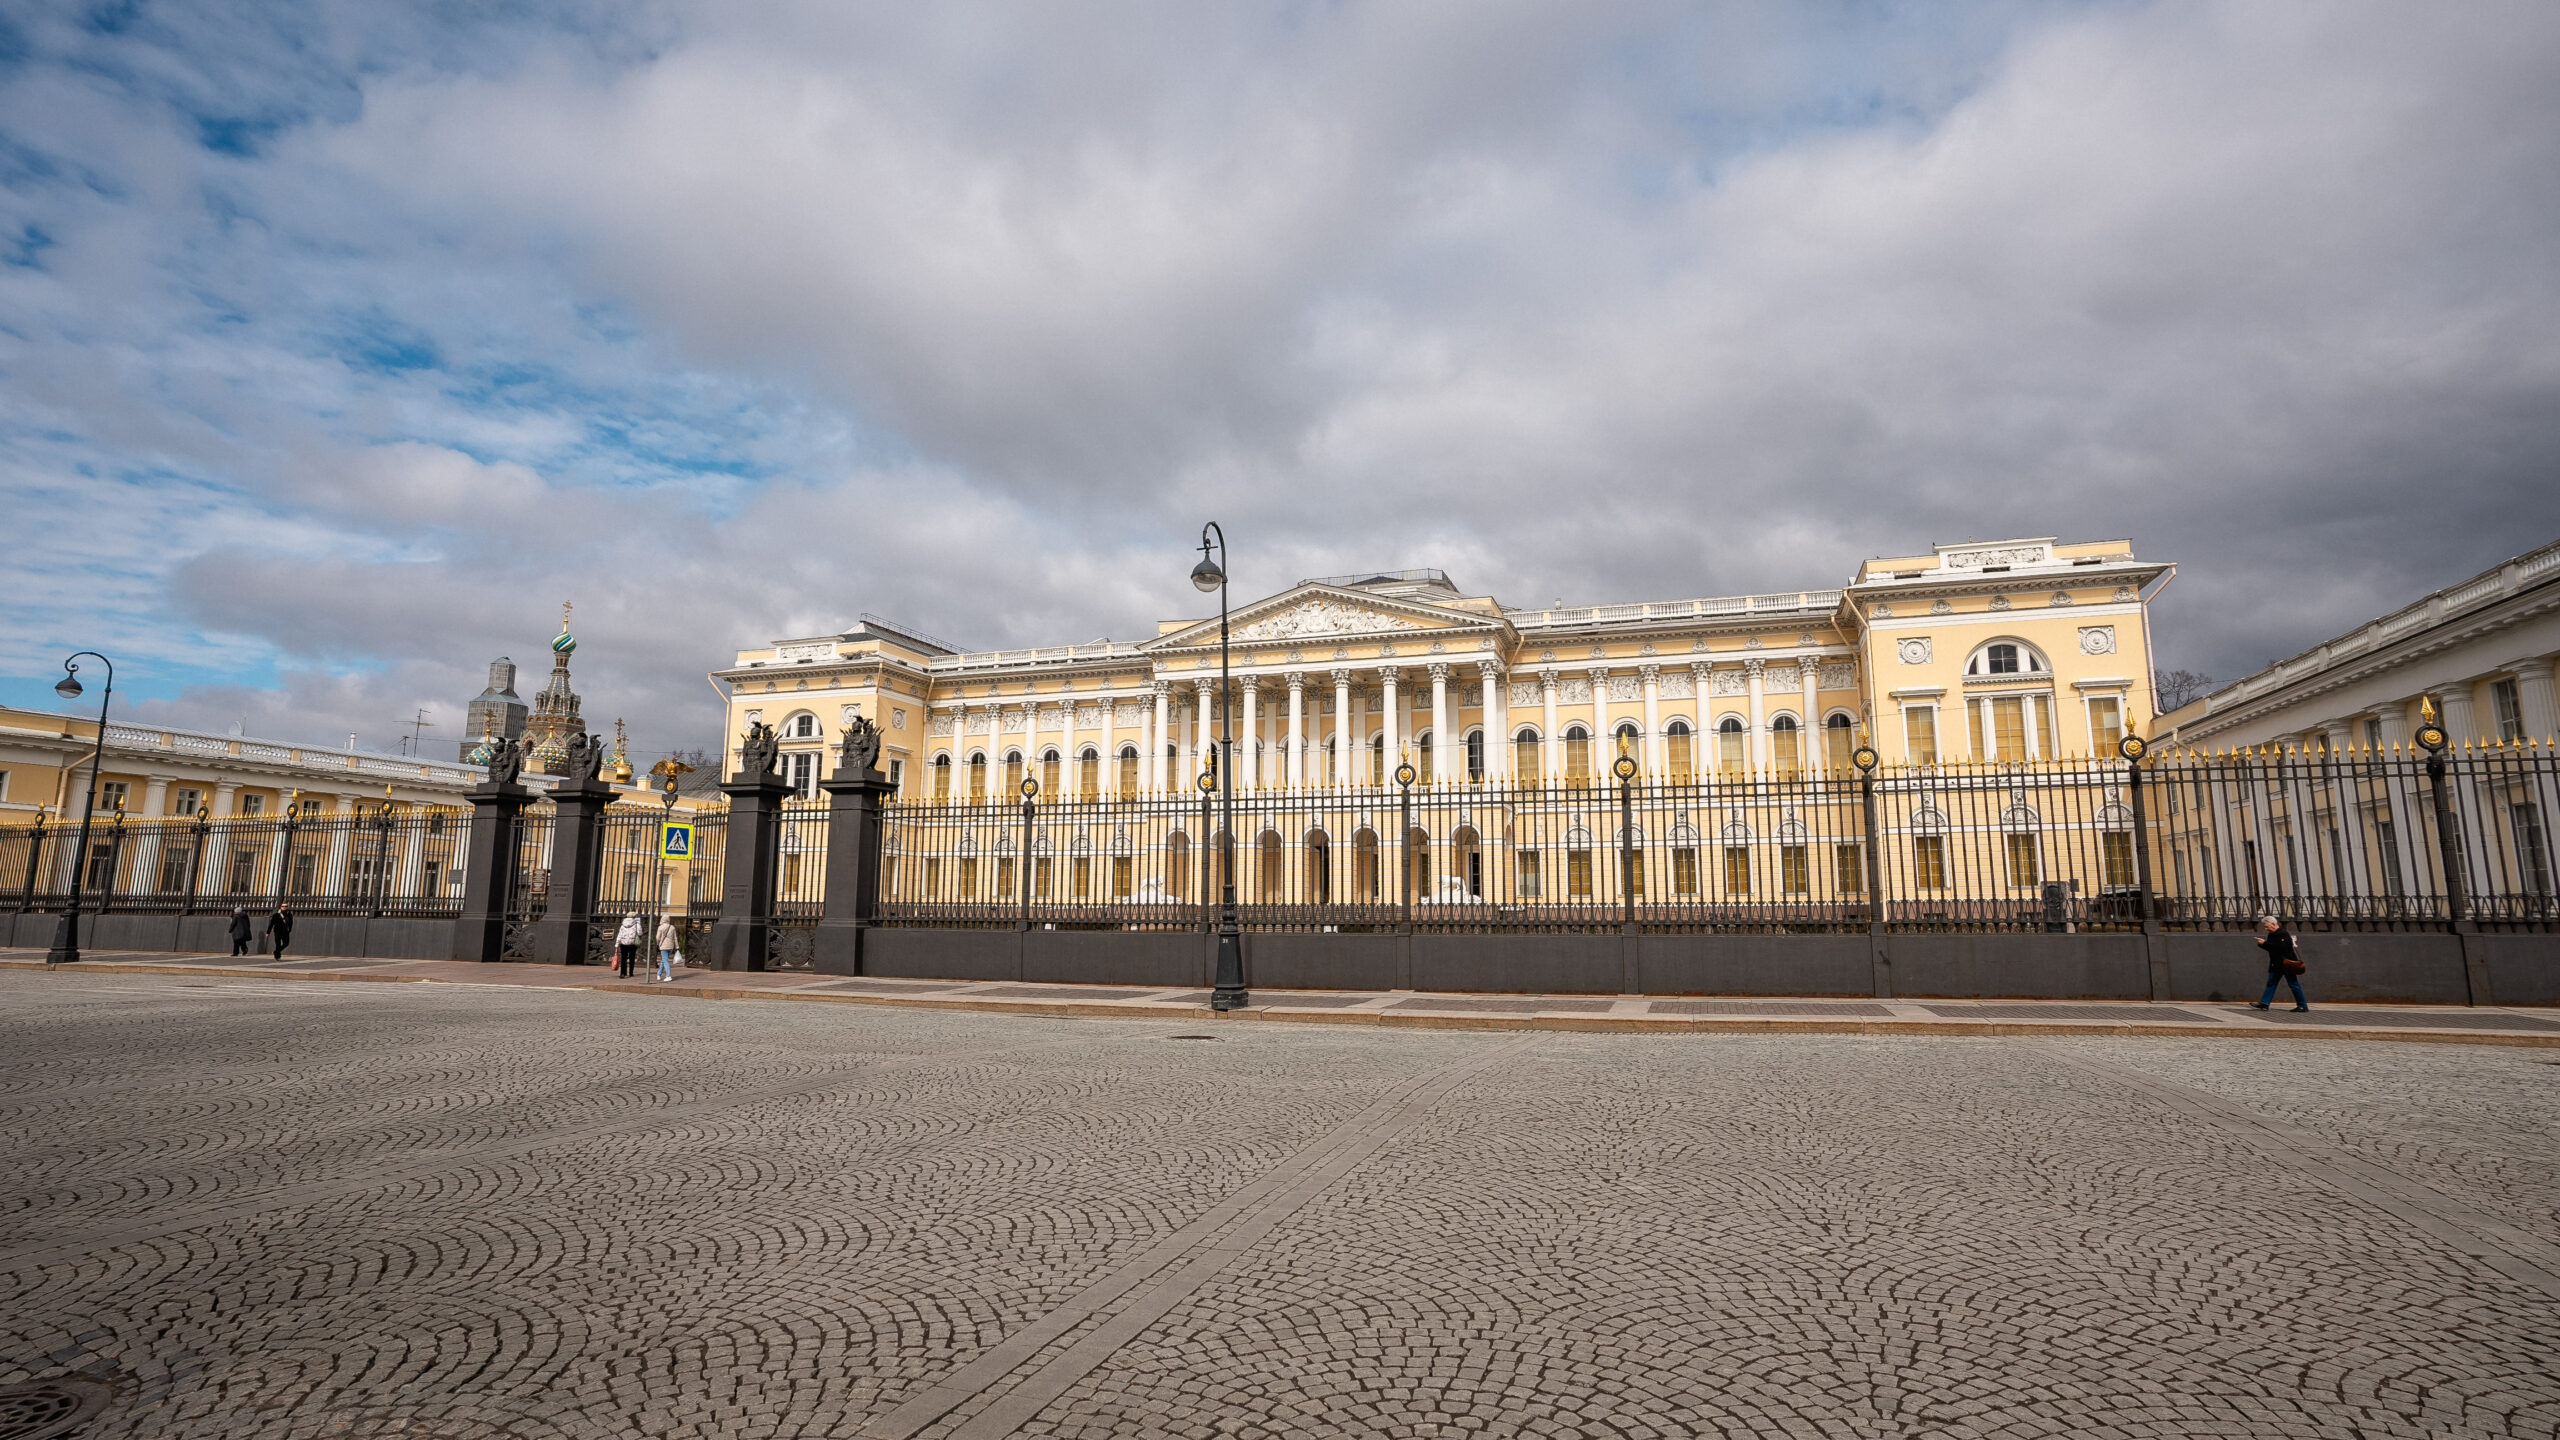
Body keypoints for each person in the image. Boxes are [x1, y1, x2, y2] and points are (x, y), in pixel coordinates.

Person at [2252, 914, 2307, 1011]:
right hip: (2276, 964)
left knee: (2293, 984)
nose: (2265, 929)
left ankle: (2302, 1006)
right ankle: (2265, 1003)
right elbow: (2271, 948)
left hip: (2287, 964)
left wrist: (2265, 943)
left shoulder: (2283, 934)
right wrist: (2261, 944)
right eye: (2265, 927)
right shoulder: (2272, 934)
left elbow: (2281, 948)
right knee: (2271, 983)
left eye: (2266, 926)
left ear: (2273, 924)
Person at [614, 912, 643, 978]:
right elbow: (640, 933)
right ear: (634, 917)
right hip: (632, 943)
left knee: (623, 959)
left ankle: (623, 973)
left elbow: (620, 935)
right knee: (632, 958)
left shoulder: (622, 925)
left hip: (623, 943)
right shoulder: (636, 924)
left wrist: (617, 944)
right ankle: (631, 973)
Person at [655, 915, 678, 982]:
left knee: (665, 961)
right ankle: (659, 974)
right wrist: (677, 946)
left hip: (663, 946)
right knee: (663, 960)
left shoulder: (660, 927)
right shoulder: (672, 927)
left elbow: (657, 937)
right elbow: (675, 938)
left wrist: (658, 943)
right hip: (671, 946)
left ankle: (668, 976)